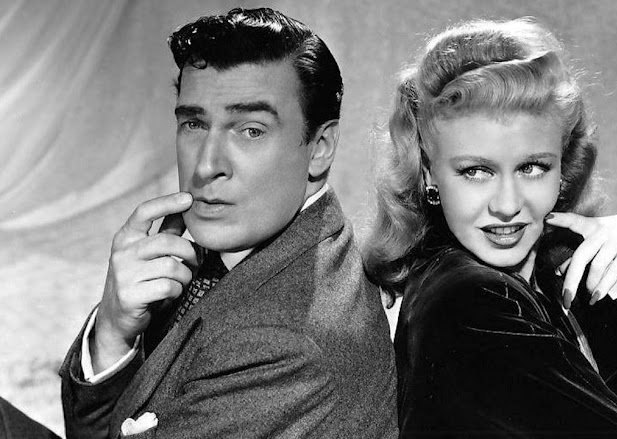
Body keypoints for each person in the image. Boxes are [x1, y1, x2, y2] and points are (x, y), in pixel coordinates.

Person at [364, 17, 617, 438]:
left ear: (562, 166)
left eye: (532, 167)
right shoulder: (468, 300)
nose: (507, 206)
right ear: (429, 173)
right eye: (475, 171)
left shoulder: (543, 270)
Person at [58, 7, 397, 439]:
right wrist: (112, 330)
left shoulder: (282, 348)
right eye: (194, 123)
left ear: (320, 148)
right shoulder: (258, 237)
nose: (206, 166)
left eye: (251, 130)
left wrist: (114, 337)